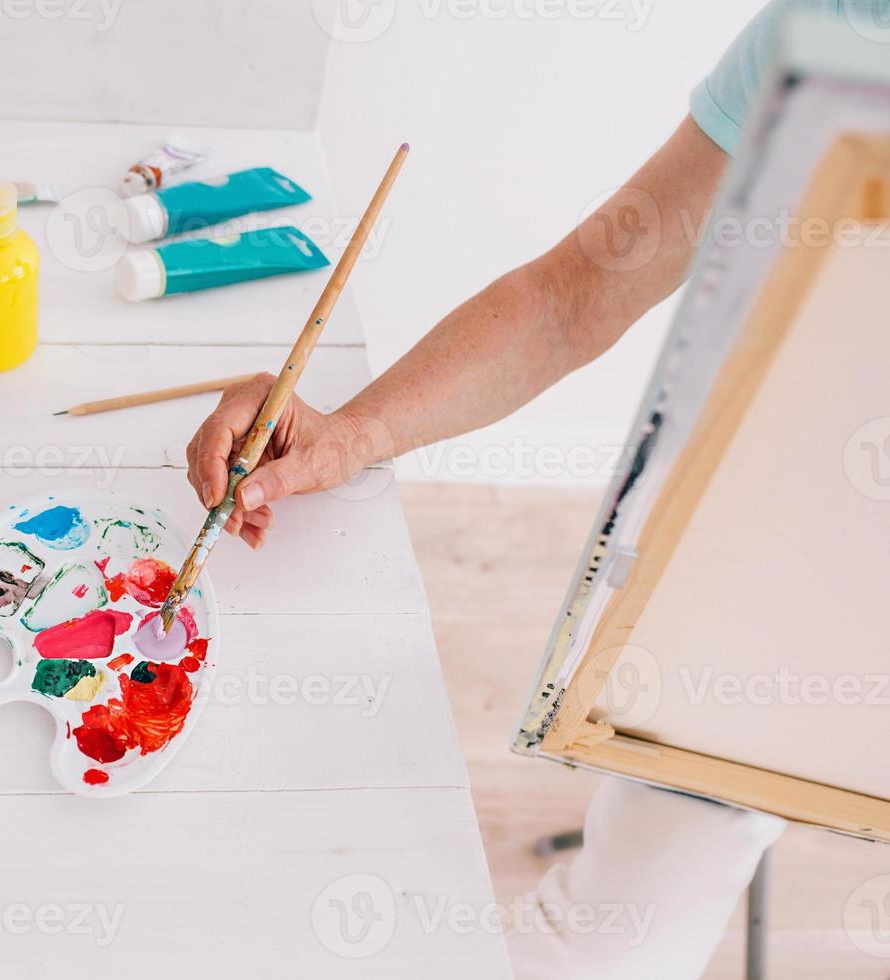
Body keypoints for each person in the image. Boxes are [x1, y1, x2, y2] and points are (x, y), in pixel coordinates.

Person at [183, 1, 887, 975]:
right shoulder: (835, 33)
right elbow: (574, 296)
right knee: (604, 949)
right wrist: (353, 434)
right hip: (773, 581)